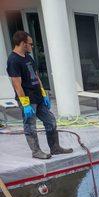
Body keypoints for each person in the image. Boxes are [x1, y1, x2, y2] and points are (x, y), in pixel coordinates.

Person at [6, 31, 72, 159]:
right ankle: (36, 152)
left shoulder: (28, 57)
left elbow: (36, 76)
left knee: (51, 120)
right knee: (30, 126)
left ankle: (55, 148)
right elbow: (16, 84)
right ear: (23, 43)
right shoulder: (13, 60)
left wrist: (43, 93)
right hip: (28, 99)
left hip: (38, 97)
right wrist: (25, 104)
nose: (32, 46)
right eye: (30, 44)